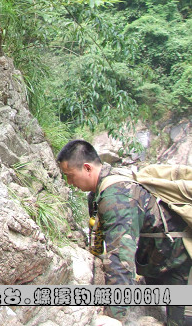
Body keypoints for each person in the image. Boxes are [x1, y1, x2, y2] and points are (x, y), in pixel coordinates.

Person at [57, 139, 192, 326]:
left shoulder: (117, 197)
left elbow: (120, 261)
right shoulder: (98, 193)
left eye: (70, 175)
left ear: (87, 168)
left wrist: (113, 318)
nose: (69, 183)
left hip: (179, 264)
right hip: (156, 262)